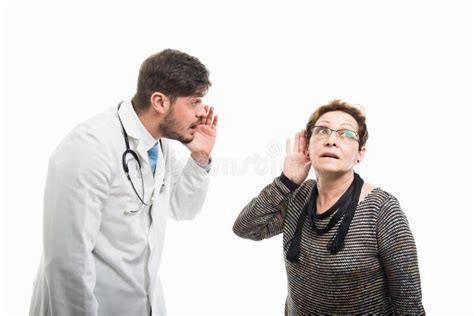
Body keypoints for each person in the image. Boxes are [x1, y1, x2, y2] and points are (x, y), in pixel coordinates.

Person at [29, 49, 218, 316]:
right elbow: (66, 263)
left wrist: (200, 158)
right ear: (160, 102)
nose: (202, 113)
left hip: (139, 302)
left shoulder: (159, 143)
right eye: (194, 102)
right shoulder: (88, 149)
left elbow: (182, 208)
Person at [233, 99, 424, 314]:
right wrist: (286, 182)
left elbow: (409, 304)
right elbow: (246, 228)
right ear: (307, 145)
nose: (331, 140)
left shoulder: (382, 209)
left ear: (360, 153)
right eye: (322, 131)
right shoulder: (299, 195)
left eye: (346, 134)